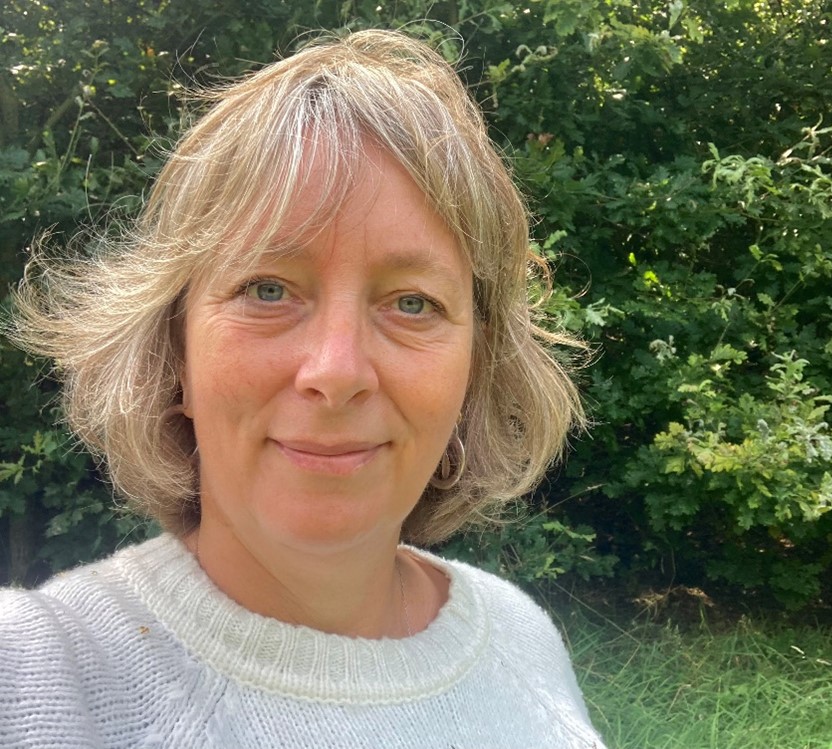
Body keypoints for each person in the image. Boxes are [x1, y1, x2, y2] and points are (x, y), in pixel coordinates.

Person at [1, 29, 605, 748]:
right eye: (267, 289)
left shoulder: (519, 635)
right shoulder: (36, 672)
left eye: (413, 303)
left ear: (476, 367)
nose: (337, 371)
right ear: (174, 355)